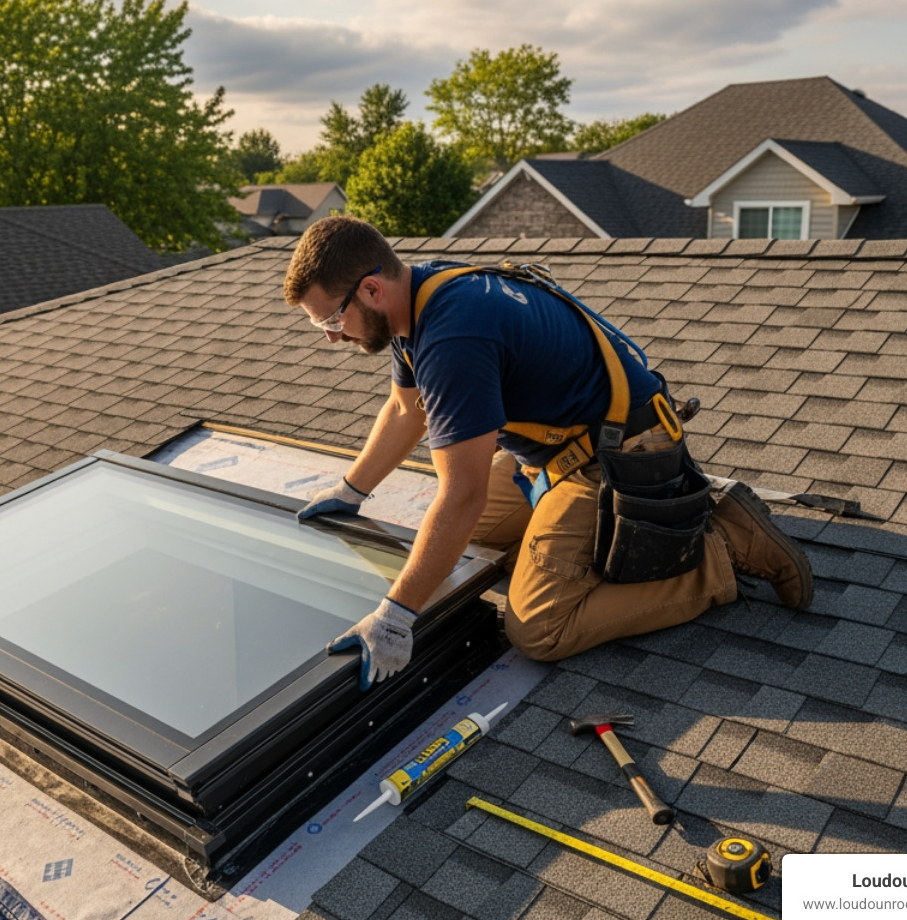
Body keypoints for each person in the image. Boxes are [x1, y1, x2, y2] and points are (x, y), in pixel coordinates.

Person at [286, 216, 813, 689]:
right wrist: (350, 490)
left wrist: (397, 616)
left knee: (538, 628)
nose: (332, 337)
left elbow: (462, 495)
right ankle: (589, 544)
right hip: (560, 449)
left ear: (371, 289)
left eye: (331, 320)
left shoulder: (452, 337)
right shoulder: (418, 294)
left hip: (616, 455)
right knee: (469, 542)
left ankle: (720, 552)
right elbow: (407, 410)